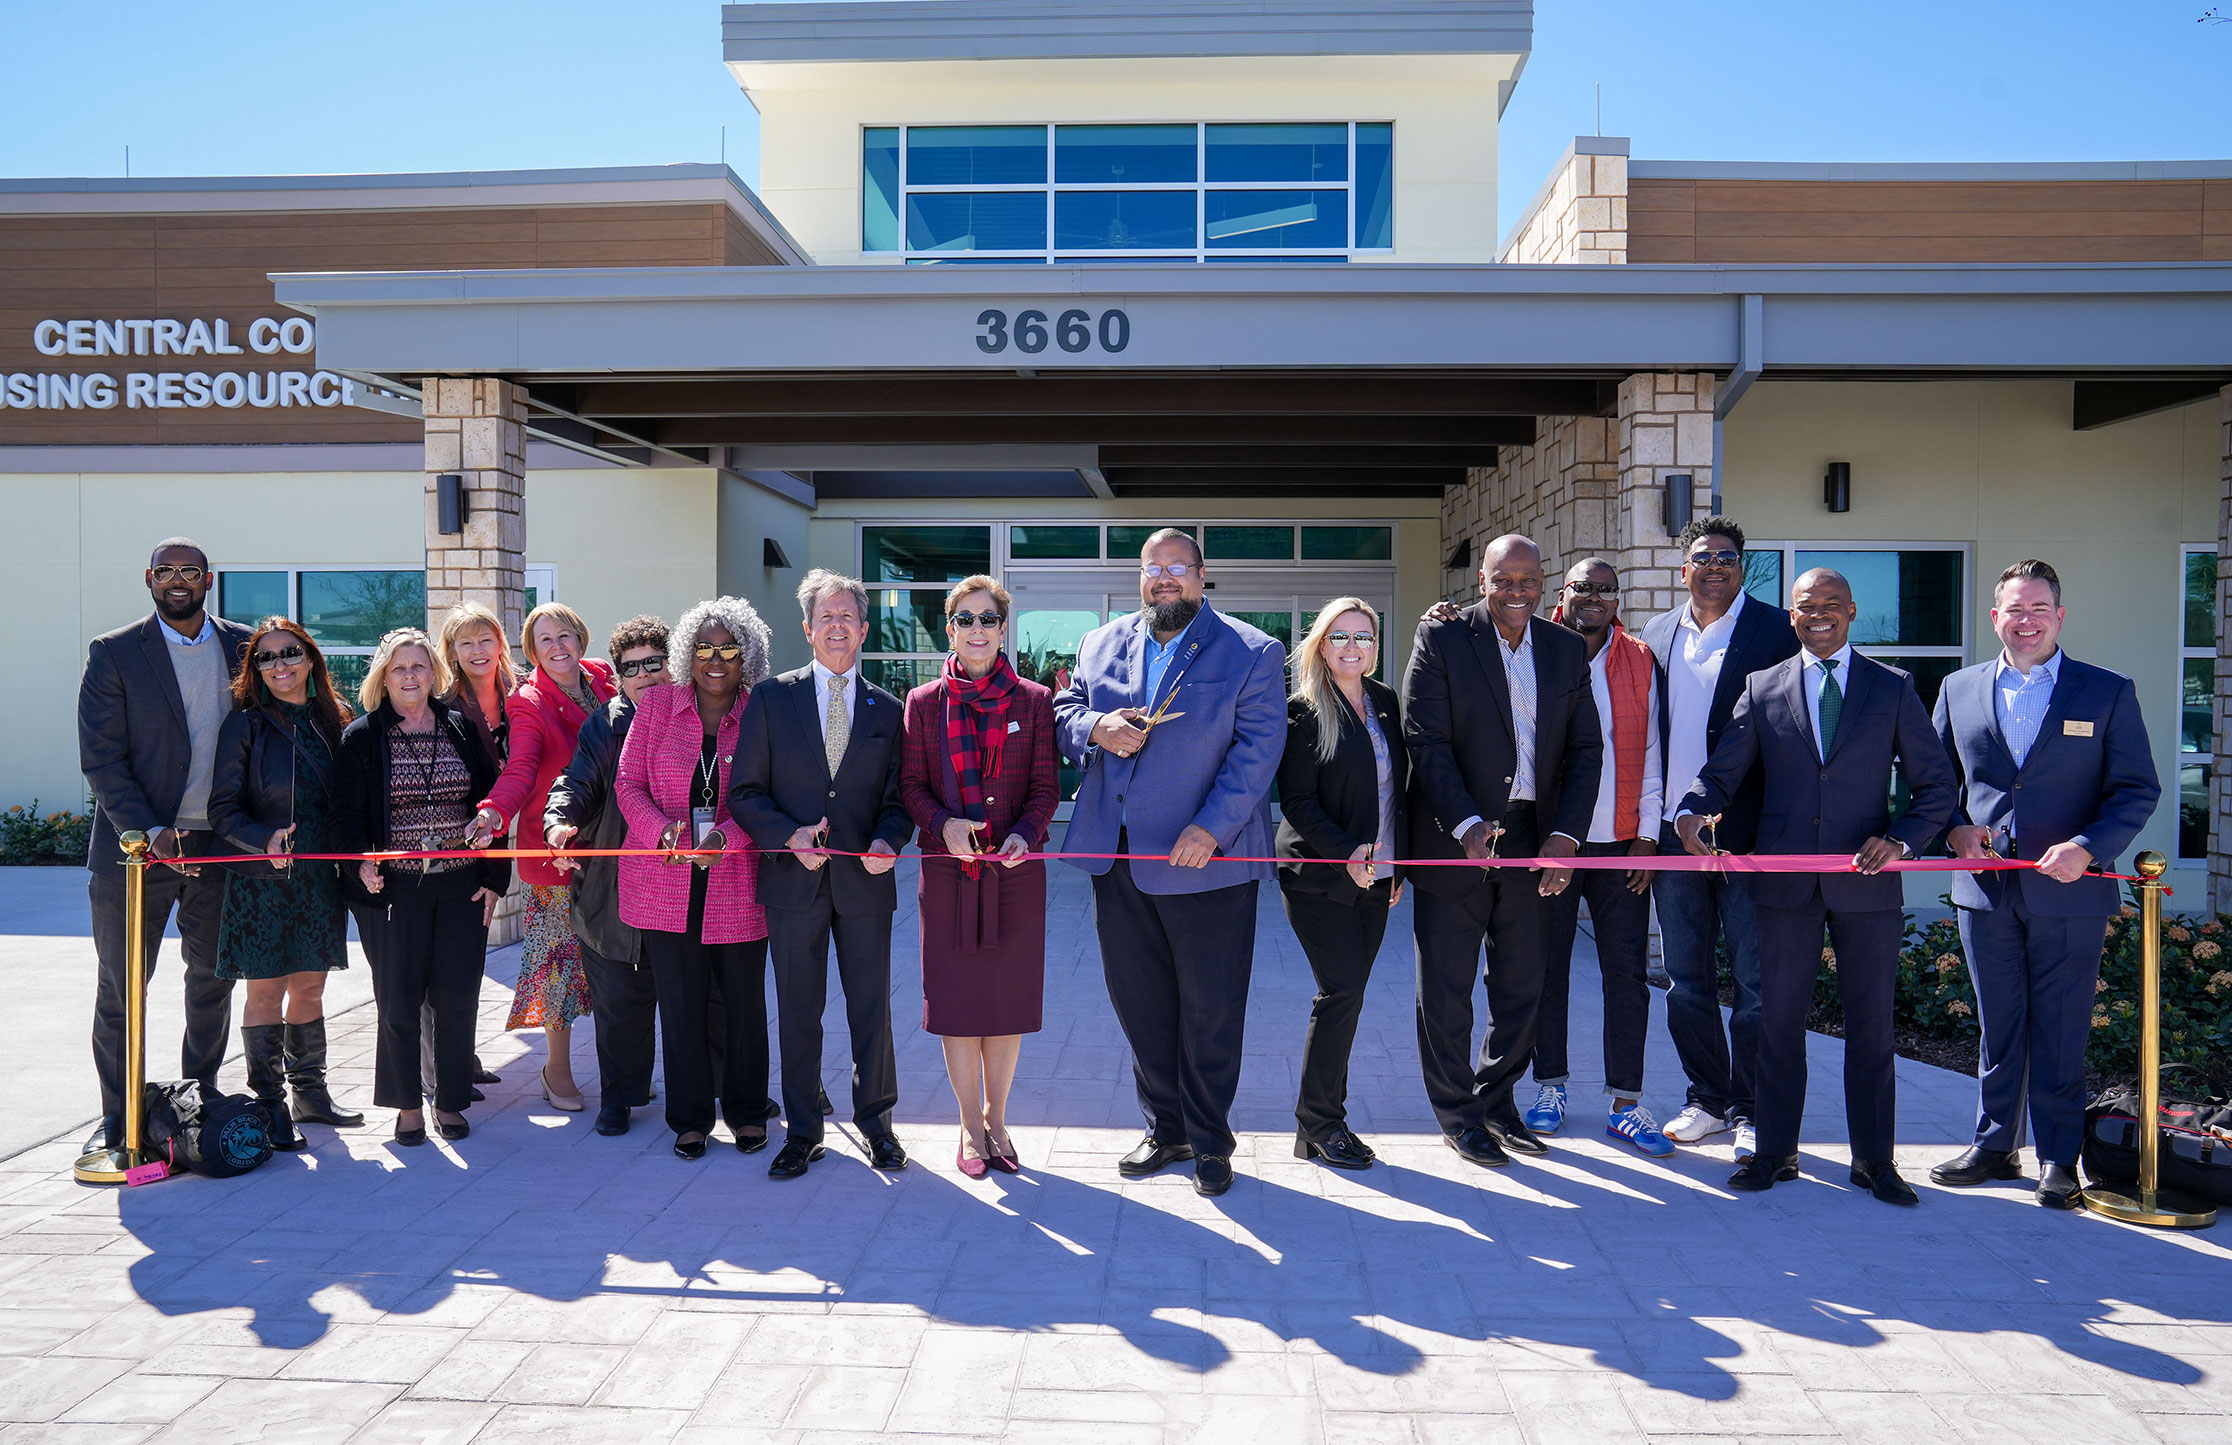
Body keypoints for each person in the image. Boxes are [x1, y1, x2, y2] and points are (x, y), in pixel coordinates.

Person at [1677, 567, 1957, 1204]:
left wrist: (1904, 839)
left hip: (1869, 881)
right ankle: (1774, 1152)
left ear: (1853, 611)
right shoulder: (1763, 685)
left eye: (1832, 604)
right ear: (1793, 615)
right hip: (1784, 885)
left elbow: (1938, 787)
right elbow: (1721, 773)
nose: (1820, 614)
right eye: (1807, 606)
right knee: (1776, 1023)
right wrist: (1692, 810)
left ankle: (1874, 1163)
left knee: (1872, 1029)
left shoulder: (1893, 688)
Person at [1054, 528, 1286, 1197]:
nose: (1164, 578)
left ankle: (1212, 1141)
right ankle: (1167, 1127)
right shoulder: (1102, 641)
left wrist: (1212, 828)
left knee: (1210, 1008)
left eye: (1177, 567)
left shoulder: (1250, 649)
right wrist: (1095, 726)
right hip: (1117, 853)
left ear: (1202, 575)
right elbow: (1065, 706)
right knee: (1141, 1003)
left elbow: (1257, 749)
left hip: (1202, 858)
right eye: (1153, 568)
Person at [1929, 559, 2159, 1209]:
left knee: (2060, 1027)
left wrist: (2089, 847)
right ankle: (1995, 1144)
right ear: (1994, 616)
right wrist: (1953, 830)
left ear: (2059, 617)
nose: (2025, 620)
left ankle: (2059, 1158)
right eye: (2013, 609)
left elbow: (2136, 788)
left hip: (2070, 892)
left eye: (2038, 608)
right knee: (1999, 1025)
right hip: (1986, 889)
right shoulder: (1958, 689)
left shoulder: (2105, 691)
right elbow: (1934, 786)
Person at [1403, 534, 1599, 1170]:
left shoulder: (1568, 649)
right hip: (1453, 836)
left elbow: (1585, 750)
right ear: (1481, 580)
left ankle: (1496, 1101)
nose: (1516, 591)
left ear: (1545, 582)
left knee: (1523, 984)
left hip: (1534, 838)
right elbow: (1424, 740)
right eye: (1502, 580)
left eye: (1528, 580)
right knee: (1447, 988)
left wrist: (1566, 837)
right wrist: (1463, 824)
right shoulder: (1443, 639)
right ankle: (1458, 1114)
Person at [732, 570, 912, 1179]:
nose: (837, 627)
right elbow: (745, 792)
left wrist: (891, 837)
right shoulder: (771, 699)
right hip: (792, 881)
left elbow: (899, 797)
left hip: (864, 882)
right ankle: (804, 1130)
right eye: (824, 617)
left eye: (848, 617)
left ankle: (877, 1125)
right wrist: (789, 835)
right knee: (799, 1009)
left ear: (864, 630)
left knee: (870, 1010)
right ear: (807, 630)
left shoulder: (889, 709)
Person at [77, 537, 251, 1158]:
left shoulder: (244, 646)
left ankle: (193, 1105)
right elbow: (101, 758)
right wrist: (150, 832)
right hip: (136, 851)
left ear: (209, 579)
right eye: (167, 571)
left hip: (219, 844)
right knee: (123, 986)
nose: (179, 580)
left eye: (191, 571)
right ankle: (119, 1117)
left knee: (212, 981)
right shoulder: (116, 652)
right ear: (149, 578)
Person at [1638, 516, 1800, 1159]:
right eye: (1702, 556)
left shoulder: (1776, 631)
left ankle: (1752, 1107)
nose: (1714, 566)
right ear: (1684, 570)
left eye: (1728, 557)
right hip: (1674, 836)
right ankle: (1706, 1099)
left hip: (1748, 835)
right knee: (1685, 977)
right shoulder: (1653, 634)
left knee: (1755, 982)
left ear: (1743, 568)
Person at [898, 576, 1060, 1178]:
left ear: (1002, 627)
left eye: (987, 619)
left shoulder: (1034, 701)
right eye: (964, 619)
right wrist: (943, 825)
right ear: (950, 628)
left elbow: (1046, 786)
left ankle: (999, 1120)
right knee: (960, 1005)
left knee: (1006, 1004)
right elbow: (911, 786)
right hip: (948, 874)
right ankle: (969, 1127)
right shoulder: (922, 704)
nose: (976, 630)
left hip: (1015, 874)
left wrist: (1027, 833)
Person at [1514, 560, 1672, 1156]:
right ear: (1565, 594)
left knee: (1626, 976)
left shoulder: (1638, 659)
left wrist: (1649, 837)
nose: (1594, 598)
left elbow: (1653, 748)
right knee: (1548, 967)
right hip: (1553, 842)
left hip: (1622, 843)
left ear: (1616, 598)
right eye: (1583, 587)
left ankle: (1625, 1104)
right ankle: (1549, 1087)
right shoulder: (1539, 649)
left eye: (1606, 589)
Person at [334, 629, 509, 1146]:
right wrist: (357, 863)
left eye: (419, 667)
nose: (410, 677)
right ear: (383, 678)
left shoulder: (459, 727)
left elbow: (490, 804)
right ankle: (408, 1105)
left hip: (461, 887)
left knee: (457, 997)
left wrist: (494, 878)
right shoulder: (363, 736)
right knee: (398, 1002)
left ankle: (451, 1100)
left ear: (435, 673)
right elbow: (344, 816)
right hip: (393, 891)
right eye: (398, 669)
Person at [617, 598, 777, 1160]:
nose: (715, 660)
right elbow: (628, 784)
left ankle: (748, 1111)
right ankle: (689, 1119)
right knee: (679, 1005)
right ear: (688, 654)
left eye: (728, 649)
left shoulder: (763, 709)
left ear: (746, 655)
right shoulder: (658, 705)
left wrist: (727, 838)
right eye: (703, 648)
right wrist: (662, 831)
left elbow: (771, 795)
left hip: (737, 880)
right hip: (665, 880)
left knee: (742, 1007)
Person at [206, 617, 362, 1151]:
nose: (280, 665)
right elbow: (221, 811)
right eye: (266, 657)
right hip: (262, 880)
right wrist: (263, 839)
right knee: (265, 990)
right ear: (254, 669)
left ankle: (311, 1094)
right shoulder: (245, 725)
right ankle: (269, 1102)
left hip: (318, 878)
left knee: (311, 986)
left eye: (290, 652)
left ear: (310, 658)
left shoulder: (334, 720)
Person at [468, 603, 616, 1112]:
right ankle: (556, 1070)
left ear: (582, 638)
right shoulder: (529, 701)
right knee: (558, 965)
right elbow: (523, 768)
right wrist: (492, 813)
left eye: (566, 635)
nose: (558, 646)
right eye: (545, 640)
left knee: (618, 963)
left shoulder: (604, 680)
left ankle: (624, 1065)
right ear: (532, 652)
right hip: (556, 851)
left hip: (614, 845)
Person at [1276, 597, 1406, 1171]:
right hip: (1318, 875)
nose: (1353, 647)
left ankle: (1322, 1124)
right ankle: (1321, 1124)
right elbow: (1297, 802)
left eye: (1365, 637)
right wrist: (1346, 852)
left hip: (1377, 876)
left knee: (1348, 998)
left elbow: (1392, 794)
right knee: (1341, 993)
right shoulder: (1304, 709)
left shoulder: (1384, 702)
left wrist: (1394, 863)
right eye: (1341, 636)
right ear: (1321, 645)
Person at [546, 614, 674, 1137]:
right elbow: (574, 782)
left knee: (701, 999)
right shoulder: (605, 724)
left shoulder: (695, 716)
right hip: (611, 891)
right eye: (631, 667)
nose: (644, 675)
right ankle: (619, 1100)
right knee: (619, 1002)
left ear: (673, 665)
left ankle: (719, 1094)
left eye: (654, 663)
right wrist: (560, 820)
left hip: (685, 889)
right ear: (617, 676)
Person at [434, 602, 514, 1097]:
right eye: (466, 642)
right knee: (446, 965)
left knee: (471, 961)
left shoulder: (522, 695)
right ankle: (444, 1067)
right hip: (459, 843)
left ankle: (460, 1056)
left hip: (515, 836)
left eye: (486, 639)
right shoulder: (443, 706)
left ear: (500, 643)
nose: (478, 650)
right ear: (452, 652)